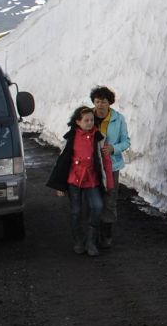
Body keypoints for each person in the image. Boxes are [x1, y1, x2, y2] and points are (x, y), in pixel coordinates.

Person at [46, 106, 115, 257]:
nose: (89, 123)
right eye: (86, 120)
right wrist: (60, 186)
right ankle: (78, 241)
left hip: (92, 179)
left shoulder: (99, 138)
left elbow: (106, 161)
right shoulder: (71, 137)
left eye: (91, 120)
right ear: (78, 122)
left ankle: (91, 241)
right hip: (74, 180)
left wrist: (109, 182)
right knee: (76, 211)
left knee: (97, 206)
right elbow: (63, 161)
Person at [90, 86, 130, 249]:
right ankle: (92, 233)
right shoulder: (86, 117)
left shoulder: (118, 119)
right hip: (91, 166)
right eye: (97, 101)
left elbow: (126, 141)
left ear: (109, 103)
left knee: (109, 200)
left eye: (103, 102)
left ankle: (106, 233)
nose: (100, 105)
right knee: (92, 199)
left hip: (111, 166)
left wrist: (114, 148)